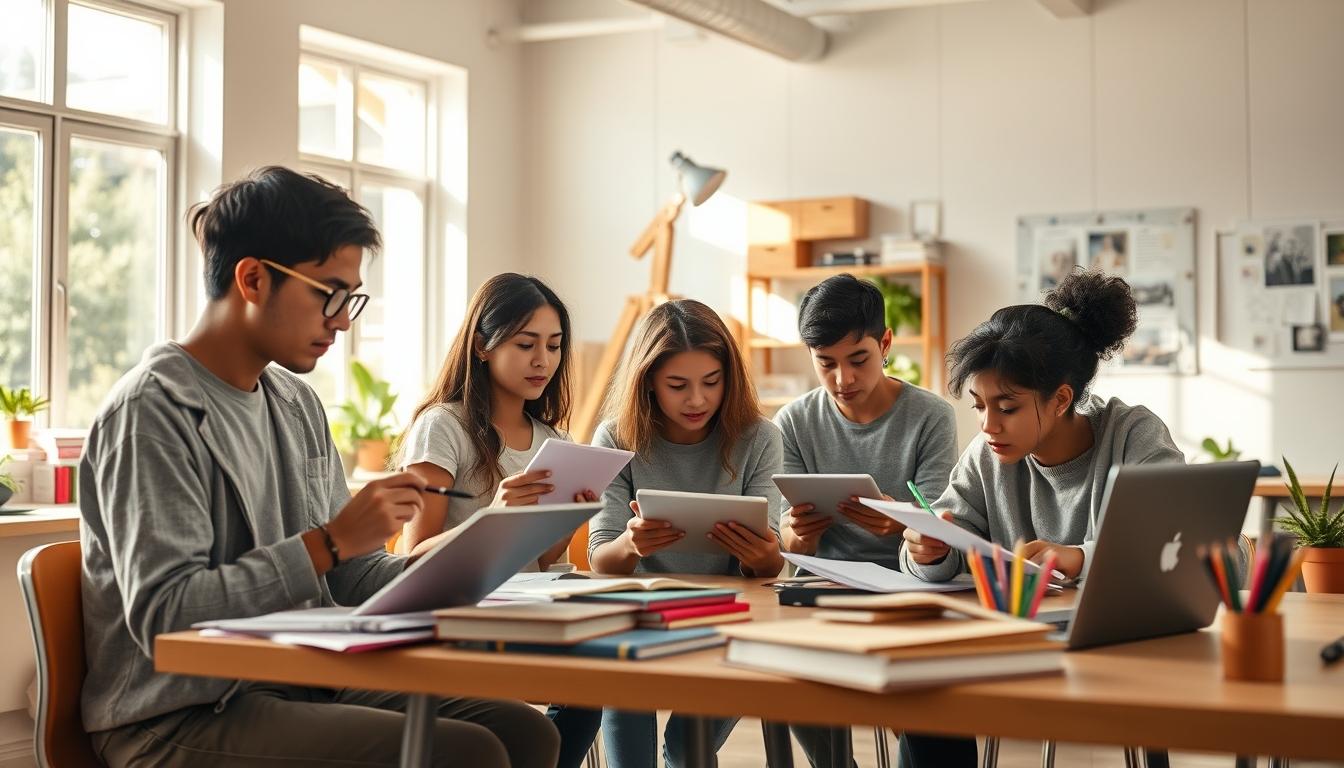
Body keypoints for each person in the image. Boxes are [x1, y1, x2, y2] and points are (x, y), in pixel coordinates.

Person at [79, 167, 559, 768]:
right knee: (467, 753)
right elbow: (167, 617)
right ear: (253, 278)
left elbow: (352, 579)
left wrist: (478, 551)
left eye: (350, 298)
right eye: (329, 293)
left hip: (299, 674)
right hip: (180, 709)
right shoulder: (152, 411)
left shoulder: (294, 401)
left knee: (525, 731)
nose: (342, 319)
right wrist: (328, 542)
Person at [395, 271, 603, 768]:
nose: (543, 361)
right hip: (460, 614)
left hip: (525, 607)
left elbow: (539, 560)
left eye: (554, 346)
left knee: (592, 685)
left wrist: (567, 518)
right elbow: (411, 554)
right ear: (483, 346)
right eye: (526, 344)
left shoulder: (550, 435)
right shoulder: (442, 426)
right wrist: (494, 517)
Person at [771, 274, 966, 767]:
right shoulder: (793, 421)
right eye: (826, 364)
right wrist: (798, 534)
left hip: (910, 590)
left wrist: (901, 524)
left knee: (931, 711)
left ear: (884, 344)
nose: (844, 380)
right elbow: (789, 544)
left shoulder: (931, 416)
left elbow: (939, 527)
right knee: (791, 673)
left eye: (858, 359)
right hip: (823, 590)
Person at [587, 299, 785, 768]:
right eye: (678, 385)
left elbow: (772, 565)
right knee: (629, 747)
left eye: (711, 383)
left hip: (732, 623)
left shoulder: (759, 437)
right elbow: (601, 558)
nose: (697, 399)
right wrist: (631, 543)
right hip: (642, 621)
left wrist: (761, 553)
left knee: (685, 750)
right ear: (648, 382)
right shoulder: (616, 438)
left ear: (729, 379)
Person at [901, 269, 1186, 584]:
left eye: (1008, 408)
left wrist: (1080, 558)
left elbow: (1176, 542)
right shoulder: (987, 454)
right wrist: (931, 553)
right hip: (1023, 627)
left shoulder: (1133, 437)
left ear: (1061, 399)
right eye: (979, 406)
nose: (988, 426)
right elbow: (942, 540)